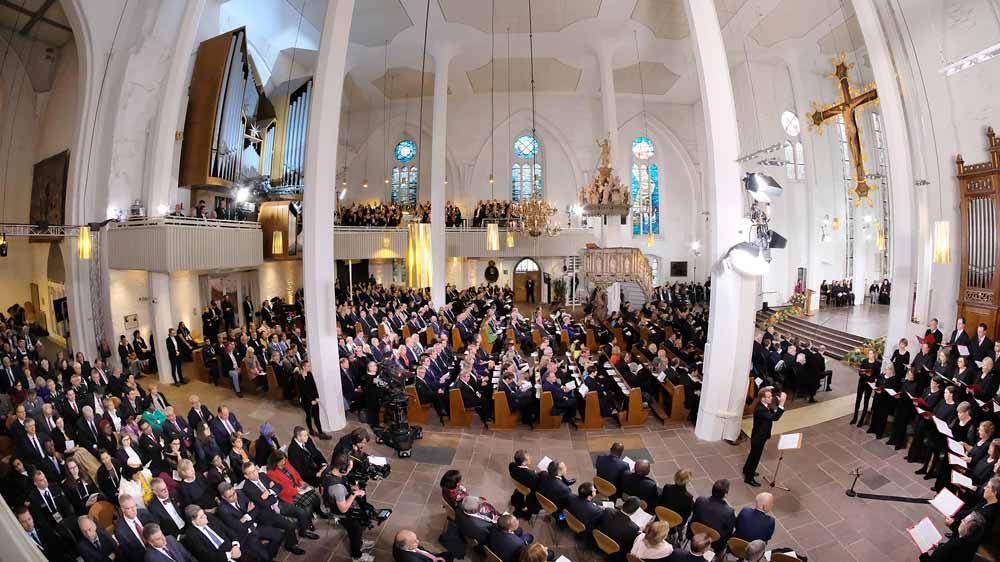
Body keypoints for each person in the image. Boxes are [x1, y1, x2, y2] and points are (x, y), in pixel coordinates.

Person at [326, 453, 375, 562]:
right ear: (343, 469)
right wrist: (354, 494)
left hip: (341, 502)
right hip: (342, 513)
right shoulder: (337, 487)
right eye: (349, 469)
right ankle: (357, 555)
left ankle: (360, 543)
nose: (349, 471)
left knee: (356, 530)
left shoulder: (330, 472)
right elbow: (343, 508)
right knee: (355, 530)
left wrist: (352, 488)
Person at [742, 387, 786, 487]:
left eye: (771, 396)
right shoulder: (761, 409)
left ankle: (747, 470)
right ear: (762, 398)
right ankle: (749, 478)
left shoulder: (764, 405)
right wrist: (781, 404)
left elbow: (772, 412)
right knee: (755, 457)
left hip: (760, 435)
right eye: (769, 397)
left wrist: (777, 406)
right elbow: (774, 418)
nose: (771, 398)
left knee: (753, 455)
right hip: (759, 437)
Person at [180, 505, 248, 562]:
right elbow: (206, 557)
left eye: (204, 514)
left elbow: (228, 531)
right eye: (202, 517)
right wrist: (230, 554)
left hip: (233, 547)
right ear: (194, 522)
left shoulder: (210, 517)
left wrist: (235, 545)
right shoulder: (191, 535)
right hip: (220, 558)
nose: (205, 517)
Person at [689, 479, 736, 553]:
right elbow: (729, 530)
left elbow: (694, 514)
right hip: (715, 542)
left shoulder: (700, 500)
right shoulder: (729, 512)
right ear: (725, 494)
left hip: (695, 532)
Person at [919, 511, 983, 562]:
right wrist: (940, 546)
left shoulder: (953, 545)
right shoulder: (973, 541)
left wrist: (924, 554)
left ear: (967, 528)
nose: (961, 520)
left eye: (964, 520)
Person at [595, 497, 641, 562]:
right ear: (634, 512)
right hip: (616, 551)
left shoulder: (608, 510)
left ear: (623, 504)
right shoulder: (634, 528)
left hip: (600, 539)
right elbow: (629, 543)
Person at [114, 494, 156, 562]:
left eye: (134, 506)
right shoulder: (120, 530)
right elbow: (130, 553)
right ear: (122, 509)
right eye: (129, 508)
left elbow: (156, 530)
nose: (134, 510)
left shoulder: (144, 513)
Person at [297, 361, 330, 439]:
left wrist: (317, 397)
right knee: (308, 415)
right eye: (308, 366)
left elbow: (314, 386)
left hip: (314, 399)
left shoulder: (310, 374)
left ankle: (321, 433)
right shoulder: (299, 377)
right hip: (306, 400)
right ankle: (311, 430)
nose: (309, 367)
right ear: (303, 367)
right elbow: (303, 391)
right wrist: (310, 400)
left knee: (316, 416)